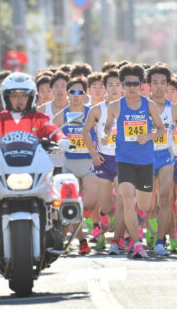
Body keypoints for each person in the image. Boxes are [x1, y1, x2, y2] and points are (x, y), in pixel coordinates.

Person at [99, 64, 167, 258]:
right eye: (127, 84)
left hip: (145, 160)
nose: (131, 87)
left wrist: (148, 136)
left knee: (144, 206)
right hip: (124, 160)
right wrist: (105, 136)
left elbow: (161, 130)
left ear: (141, 84)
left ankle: (137, 229)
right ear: (122, 85)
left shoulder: (149, 105)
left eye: (135, 84)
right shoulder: (115, 106)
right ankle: (137, 243)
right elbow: (107, 127)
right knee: (127, 199)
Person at [51, 77, 99, 255]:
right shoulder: (62, 115)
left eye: (80, 92)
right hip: (69, 163)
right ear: (68, 93)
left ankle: (73, 228)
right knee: (71, 204)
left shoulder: (92, 112)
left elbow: (104, 130)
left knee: (91, 203)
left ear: (85, 94)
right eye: (73, 92)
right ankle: (82, 240)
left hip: (88, 163)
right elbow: (50, 132)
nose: (76, 96)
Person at [146, 64, 177, 256]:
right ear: (149, 85)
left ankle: (161, 240)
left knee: (165, 199)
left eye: (163, 83)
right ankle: (150, 234)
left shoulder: (175, 110)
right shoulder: (141, 107)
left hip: (165, 156)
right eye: (155, 82)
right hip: (144, 157)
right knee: (148, 202)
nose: (159, 87)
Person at [83, 69, 123, 254]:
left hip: (124, 159)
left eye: (118, 84)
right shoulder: (97, 109)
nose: (114, 88)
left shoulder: (132, 108)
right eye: (111, 85)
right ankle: (104, 217)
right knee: (105, 205)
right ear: (105, 88)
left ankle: (117, 240)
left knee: (124, 198)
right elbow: (85, 132)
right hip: (104, 159)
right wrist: (93, 153)